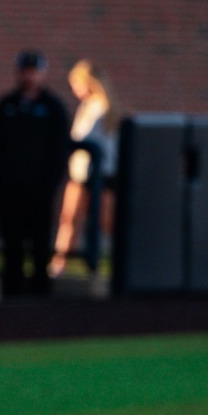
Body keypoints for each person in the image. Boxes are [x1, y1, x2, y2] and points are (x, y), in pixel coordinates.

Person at [0, 51, 72, 297]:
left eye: (34, 72)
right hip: (10, 188)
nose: (30, 77)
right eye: (26, 71)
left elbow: (58, 151)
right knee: (12, 243)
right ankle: (12, 293)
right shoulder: (7, 105)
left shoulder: (53, 108)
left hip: (39, 189)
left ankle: (40, 294)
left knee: (39, 243)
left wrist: (48, 186)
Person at [51, 59, 118, 276]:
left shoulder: (99, 108)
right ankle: (60, 265)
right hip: (92, 173)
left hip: (93, 174)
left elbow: (83, 139)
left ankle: (62, 266)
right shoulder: (94, 106)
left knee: (90, 221)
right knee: (73, 219)